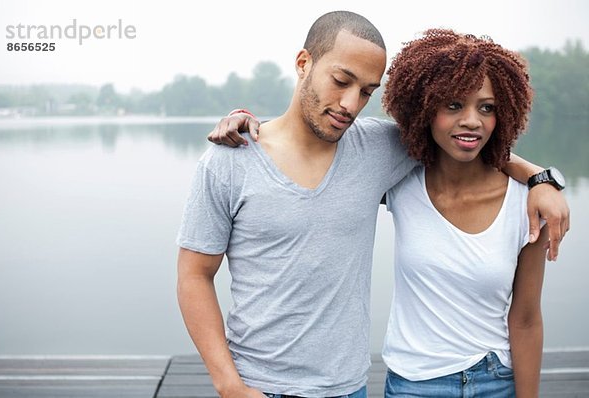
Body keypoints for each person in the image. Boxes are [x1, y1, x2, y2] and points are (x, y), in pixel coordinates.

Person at [177, 11, 569, 398]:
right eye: (341, 81)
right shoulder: (229, 159)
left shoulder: (378, 149)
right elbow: (195, 276)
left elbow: (462, 142)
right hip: (256, 385)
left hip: (348, 389)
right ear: (303, 63)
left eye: (366, 91)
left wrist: (541, 178)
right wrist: (229, 385)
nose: (350, 104)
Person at [379, 29, 547, 397]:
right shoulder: (399, 182)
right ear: (423, 108)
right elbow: (316, 156)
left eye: (486, 107)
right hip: (414, 383)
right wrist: (247, 125)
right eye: (453, 105)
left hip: (495, 380)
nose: (472, 120)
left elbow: (526, 319)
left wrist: (542, 181)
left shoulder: (529, 204)